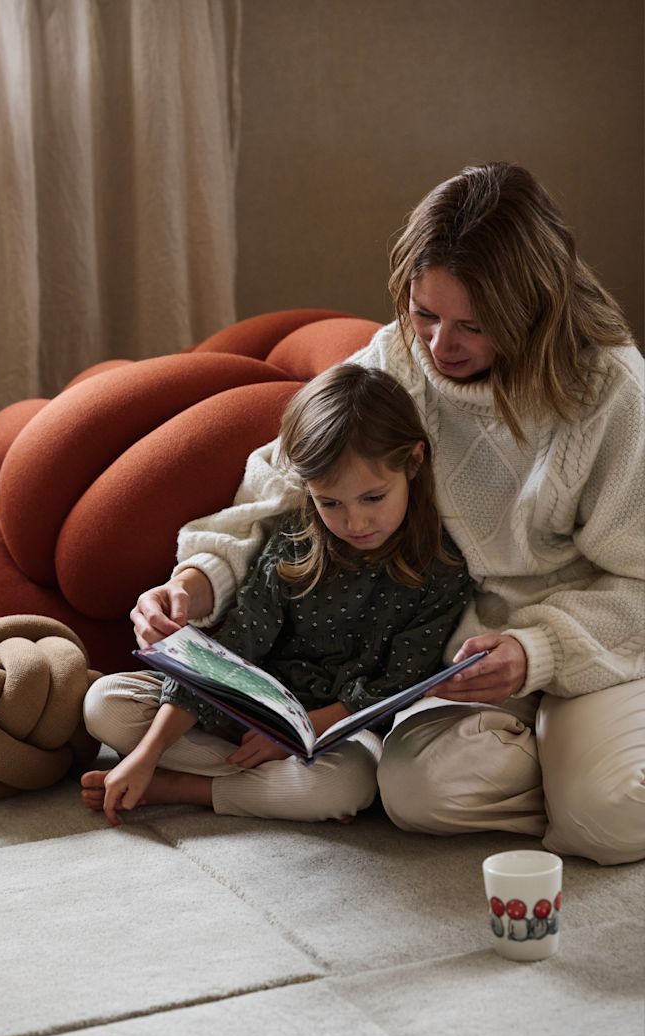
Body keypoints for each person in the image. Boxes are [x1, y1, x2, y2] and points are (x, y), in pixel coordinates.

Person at [130, 161, 645, 866]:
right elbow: (284, 483)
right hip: (445, 660)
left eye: (473, 325)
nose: (440, 347)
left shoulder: (611, 392)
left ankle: (579, 780)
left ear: (535, 306)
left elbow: (639, 583)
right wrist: (198, 577)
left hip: (583, 644)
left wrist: (538, 653)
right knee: (415, 796)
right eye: (424, 313)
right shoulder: (399, 356)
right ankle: (554, 775)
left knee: (607, 820)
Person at [81, 365, 473, 826]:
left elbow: (397, 686)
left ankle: (189, 787)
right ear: (308, 489)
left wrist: (297, 734)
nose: (355, 523)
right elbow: (232, 648)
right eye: (331, 503)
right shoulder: (294, 542)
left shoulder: (441, 568)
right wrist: (148, 753)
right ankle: (248, 784)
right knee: (104, 701)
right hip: (245, 716)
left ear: (413, 462)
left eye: (373, 498)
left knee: (348, 784)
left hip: (337, 734)